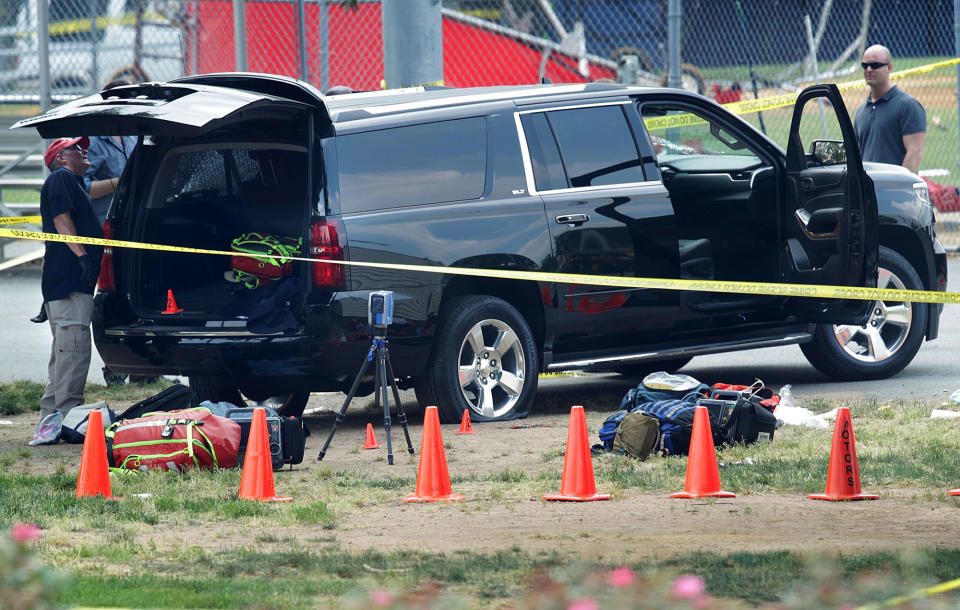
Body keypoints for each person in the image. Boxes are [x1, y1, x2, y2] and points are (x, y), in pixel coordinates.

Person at [31, 137, 104, 445]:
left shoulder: (74, 183)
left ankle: (51, 419)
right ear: (60, 158)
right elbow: (61, 221)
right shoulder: (62, 178)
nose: (84, 151)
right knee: (74, 353)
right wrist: (83, 255)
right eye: (77, 148)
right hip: (70, 284)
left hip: (66, 285)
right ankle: (67, 418)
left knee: (63, 355)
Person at [853, 44, 926, 174]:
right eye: (865, 65)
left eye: (875, 65)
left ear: (889, 67)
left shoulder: (908, 106)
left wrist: (898, 187)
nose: (869, 69)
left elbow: (915, 152)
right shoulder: (861, 111)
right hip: (868, 191)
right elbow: (856, 155)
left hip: (894, 190)